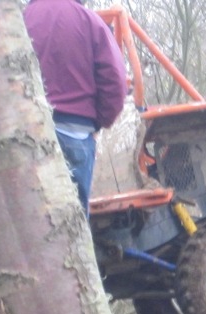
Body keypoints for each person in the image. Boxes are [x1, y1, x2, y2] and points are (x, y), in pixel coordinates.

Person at [24, 0, 127, 215]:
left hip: (27, 133)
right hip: (76, 133)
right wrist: (100, 122)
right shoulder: (89, 22)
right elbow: (115, 81)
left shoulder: (19, 21)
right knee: (74, 220)